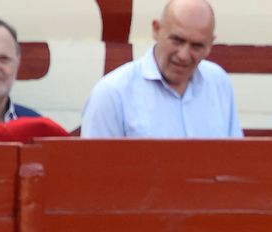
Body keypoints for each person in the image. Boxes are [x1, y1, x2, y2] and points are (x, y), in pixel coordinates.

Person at [79, 0, 240, 138]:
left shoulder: (219, 84)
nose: (184, 55)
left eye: (197, 46)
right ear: (156, 30)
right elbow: (94, 164)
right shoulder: (111, 94)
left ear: (210, 44)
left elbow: (236, 158)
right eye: (177, 40)